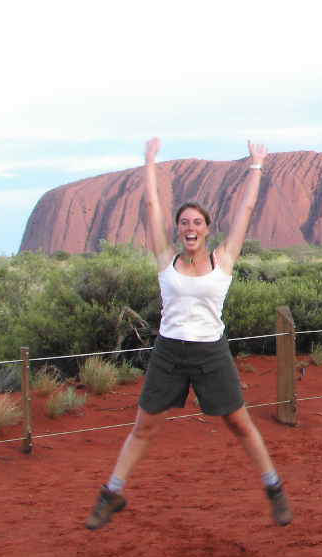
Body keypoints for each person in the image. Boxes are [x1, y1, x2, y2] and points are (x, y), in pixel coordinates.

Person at [84, 138, 292, 530]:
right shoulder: (166, 257)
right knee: (144, 426)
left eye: (197, 222)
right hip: (169, 353)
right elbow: (151, 207)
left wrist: (256, 165)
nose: (190, 228)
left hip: (211, 353)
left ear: (208, 229)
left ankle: (274, 488)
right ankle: (111, 493)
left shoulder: (223, 259)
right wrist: (148, 162)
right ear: (177, 230)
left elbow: (246, 209)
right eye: (184, 223)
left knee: (240, 424)